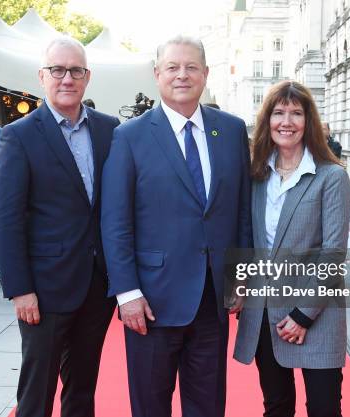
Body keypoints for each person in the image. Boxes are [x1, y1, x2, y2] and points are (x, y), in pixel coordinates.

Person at [101, 35, 252, 417]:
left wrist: (240, 277)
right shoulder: (130, 136)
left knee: (207, 406)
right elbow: (115, 221)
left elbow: (241, 211)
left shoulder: (231, 131)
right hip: (151, 301)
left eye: (191, 67)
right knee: (150, 406)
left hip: (212, 300)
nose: (182, 75)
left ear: (205, 73)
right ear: (157, 75)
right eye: (172, 67)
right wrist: (127, 292)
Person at [0, 36, 119, 417]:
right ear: (42, 76)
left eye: (75, 70)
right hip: (43, 293)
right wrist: (20, 290)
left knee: (82, 390)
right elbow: (5, 218)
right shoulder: (19, 135)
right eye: (58, 70)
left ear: (87, 77)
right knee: (36, 392)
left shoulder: (110, 130)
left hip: (97, 287)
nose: (67, 78)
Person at [233, 80, 350, 417]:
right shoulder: (255, 175)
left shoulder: (330, 177)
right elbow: (247, 241)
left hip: (317, 313)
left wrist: (302, 315)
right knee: (277, 406)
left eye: (296, 113)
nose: (287, 121)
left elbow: (333, 254)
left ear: (308, 121)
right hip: (264, 312)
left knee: (324, 409)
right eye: (279, 112)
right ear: (267, 119)